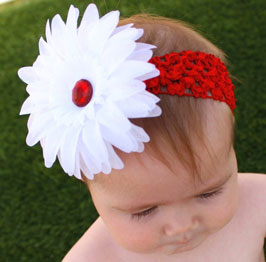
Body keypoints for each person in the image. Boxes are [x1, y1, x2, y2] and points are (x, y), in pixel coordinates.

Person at [18, 4, 266, 262]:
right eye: (145, 211)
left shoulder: (257, 199)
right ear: (89, 187)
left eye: (209, 193)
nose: (182, 226)